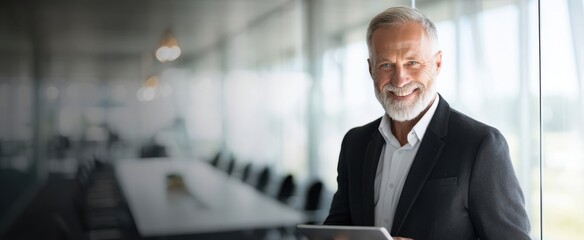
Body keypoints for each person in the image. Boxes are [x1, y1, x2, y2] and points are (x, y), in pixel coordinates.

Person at [323, 6, 531, 240]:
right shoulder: (355, 143)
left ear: (437, 63)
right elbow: (337, 230)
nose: (400, 79)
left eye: (412, 62)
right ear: (371, 69)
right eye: (386, 65)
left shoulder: (480, 145)